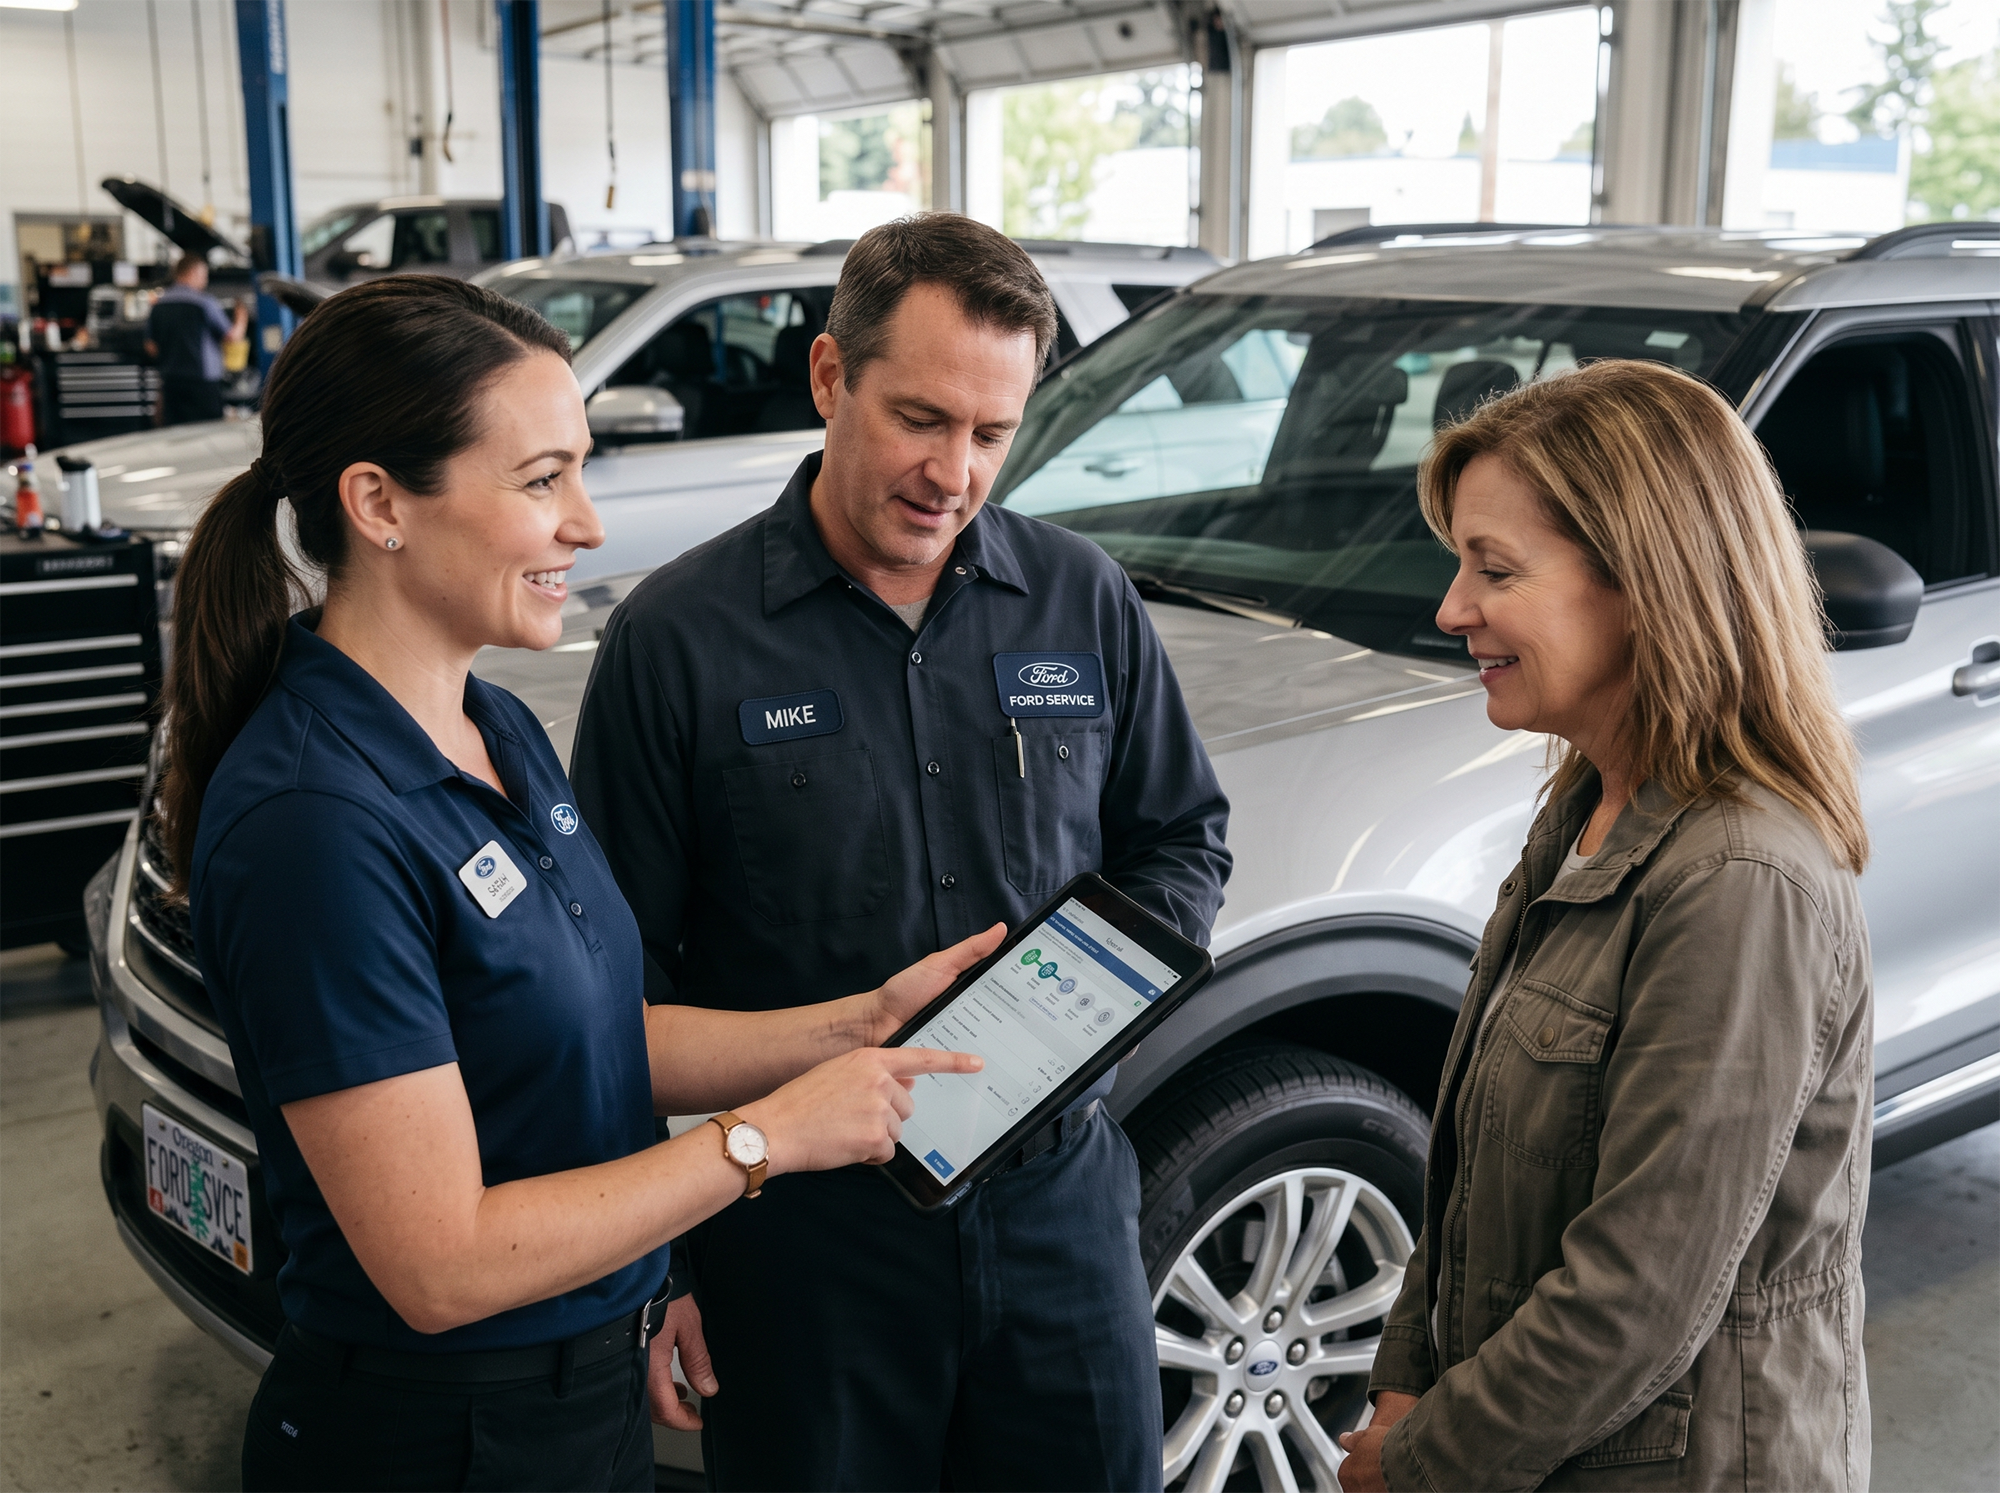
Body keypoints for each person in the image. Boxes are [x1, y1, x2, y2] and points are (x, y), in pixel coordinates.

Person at [165, 274, 999, 1493]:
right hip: (435, 1435)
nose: (589, 523)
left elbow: (588, 1037)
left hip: (581, 1387)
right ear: (380, 503)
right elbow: (439, 1261)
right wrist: (767, 1138)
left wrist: (851, 1026)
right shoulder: (316, 822)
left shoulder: (492, 726)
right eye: (541, 478)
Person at [569, 213, 1232, 1492]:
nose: (954, 472)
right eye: (920, 419)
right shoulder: (677, 643)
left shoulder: (1081, 597)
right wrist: (669, 1261)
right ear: (828, 377)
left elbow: (1179, 840)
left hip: (1056, 1209)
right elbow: (613, 993)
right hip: (800, 1242)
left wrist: (1075, 1003)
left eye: (992, 432)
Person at [1335, 359, 1872, 1492]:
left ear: (1643, 582)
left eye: (1494, 569)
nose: (1450, 607)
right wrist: (1405, 1371)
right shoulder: (1585, 802)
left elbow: (1639, 1287)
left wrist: (1419, 1456)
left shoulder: (1737, 874)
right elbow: (1474, 1157)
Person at [146, 252, 248, 425]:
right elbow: (232, 337)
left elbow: (151, 347)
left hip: (171, 385)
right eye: (204, 275)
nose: (205, 281)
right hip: (203, 386)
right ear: (193, 272)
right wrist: (242, 317)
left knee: (175, 438)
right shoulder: (204, 303)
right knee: (207, 437)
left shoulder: (158, 305)